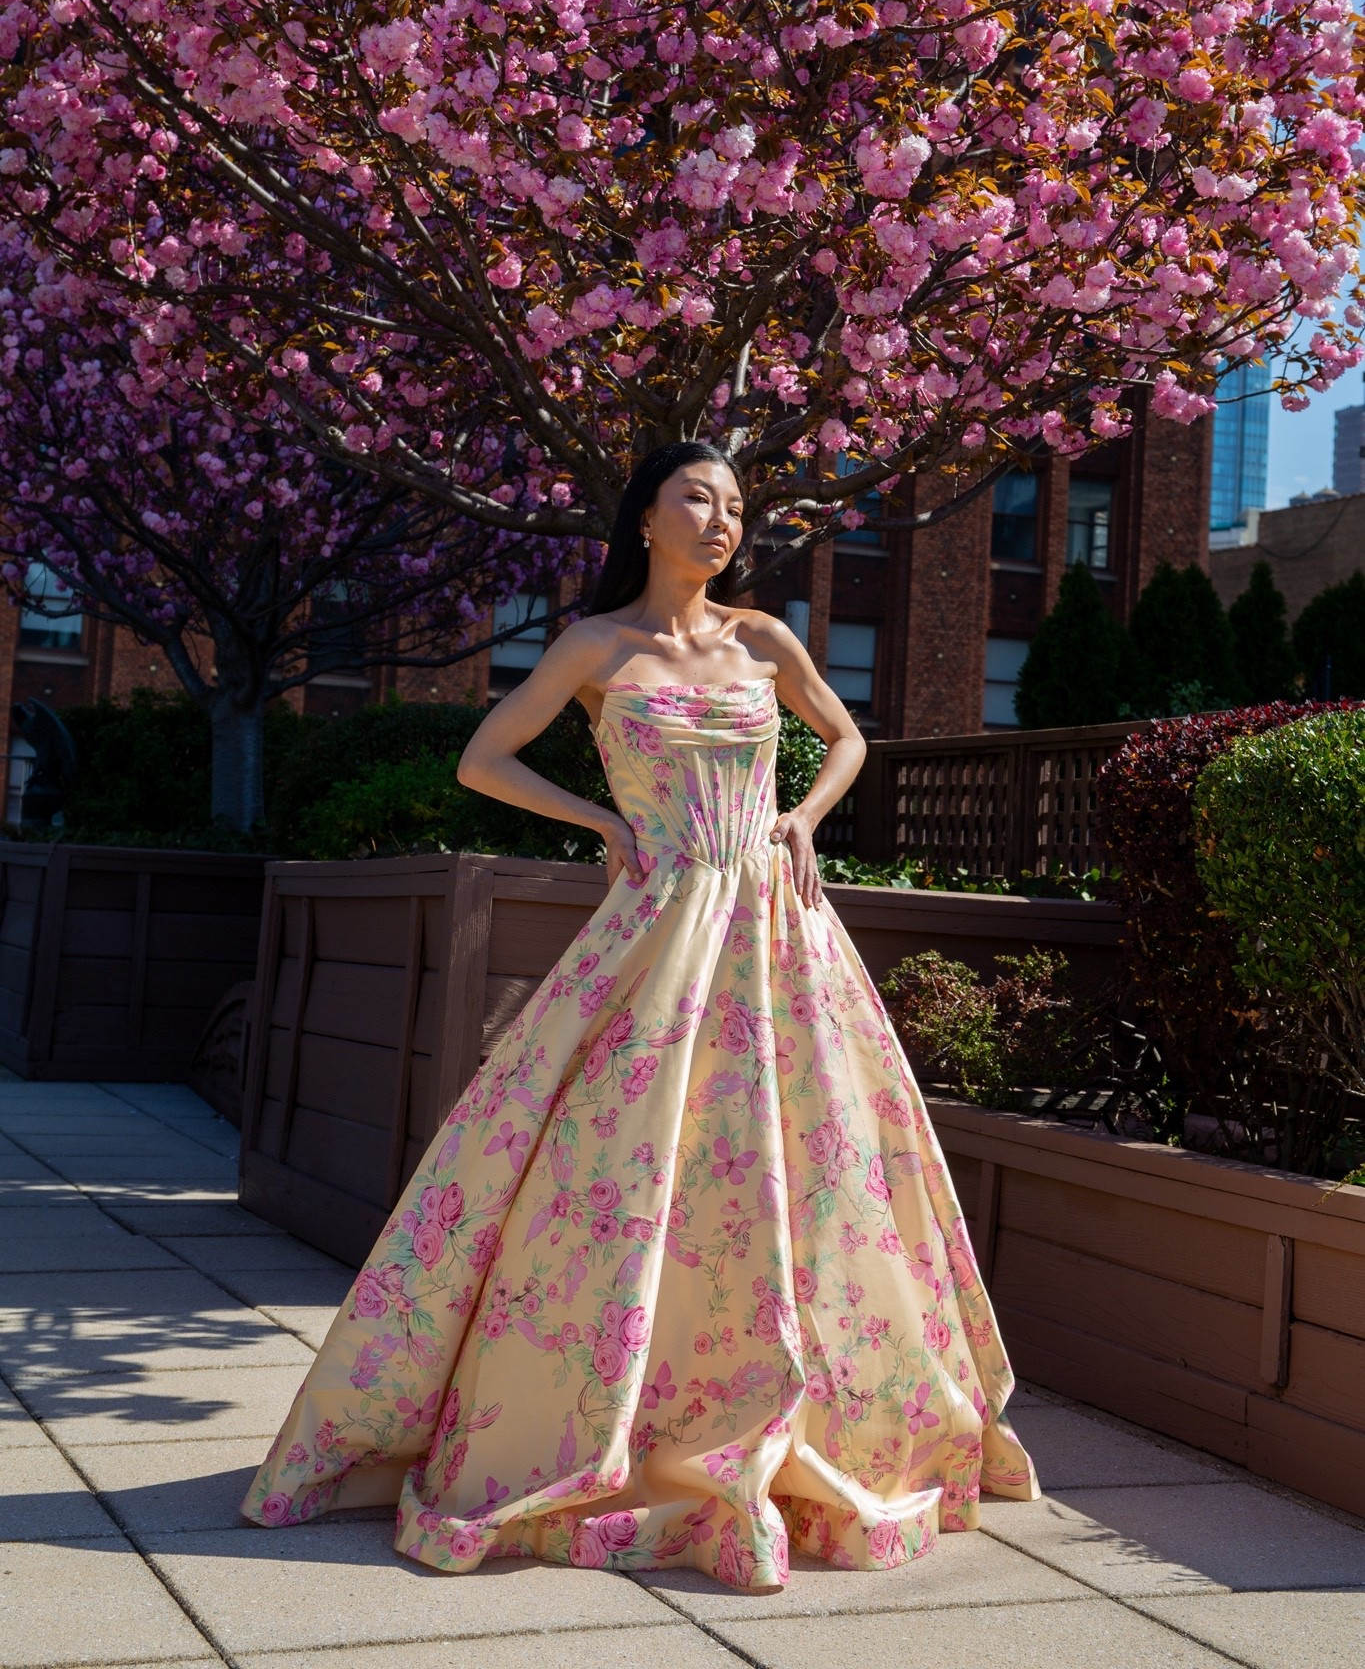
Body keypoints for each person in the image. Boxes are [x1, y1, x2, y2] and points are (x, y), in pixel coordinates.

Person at [240, 442, 1038, 1586]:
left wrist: (804, 815)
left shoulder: (763, 636)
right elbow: (484, 757)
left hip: (776, 929)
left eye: (735, 503)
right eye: (697, 498)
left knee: (809, 1167)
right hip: (658, 926)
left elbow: (852, 734)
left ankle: (802, 1415)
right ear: (649, 517)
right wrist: (598, 822)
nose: (721, 519)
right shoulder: (596, 644)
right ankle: (606, 1422)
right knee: (619, 1169)